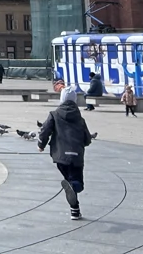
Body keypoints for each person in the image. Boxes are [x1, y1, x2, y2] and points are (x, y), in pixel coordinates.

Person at [37, 87, 96, 221]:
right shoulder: (80, 119)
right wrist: (84, 143)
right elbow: (87, 139)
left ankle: (75, 211)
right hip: (76, 156)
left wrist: (41, 145)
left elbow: (45, 130)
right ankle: (73, 193)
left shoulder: (54, 114)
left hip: (60, 156)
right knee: (77, 183)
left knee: (70, 182)